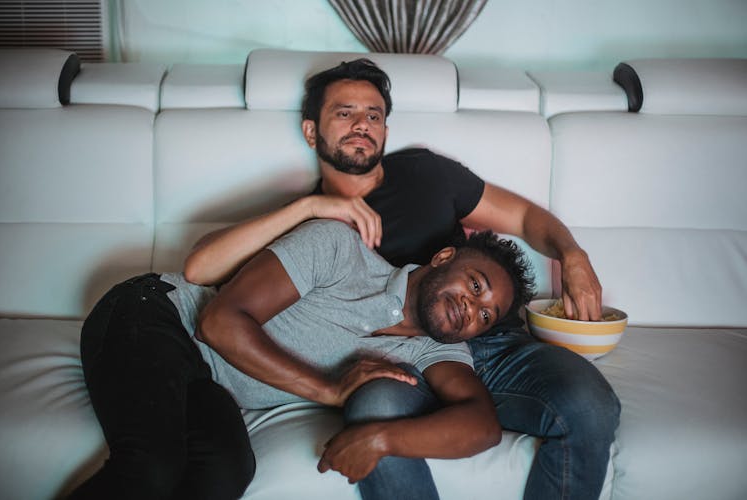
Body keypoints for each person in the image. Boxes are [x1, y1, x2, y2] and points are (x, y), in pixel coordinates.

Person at [184, 58, 621, 500]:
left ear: (386, 132)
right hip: (396, 358)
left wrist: (572, 255)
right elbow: (200, 270)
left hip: (490, 345)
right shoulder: (312, 225)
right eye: (344, 112)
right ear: (312, 131)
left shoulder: (424, 175)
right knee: (377, 411)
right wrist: (305, 209)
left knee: (590, 405)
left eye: (373, 115)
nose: (362, 124)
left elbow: (526, 217)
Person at [70, 218, 536, 500]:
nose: (471, 309)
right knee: (152, 467)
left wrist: (381, 439)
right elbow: (218, 323)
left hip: (205, 382)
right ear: (444, 257)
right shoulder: (339, 249)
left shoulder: (440, 350)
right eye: (475, 286)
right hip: (157, 318)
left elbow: (482, 425)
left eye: (486, 315)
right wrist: (329, 389)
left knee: (225, 474)